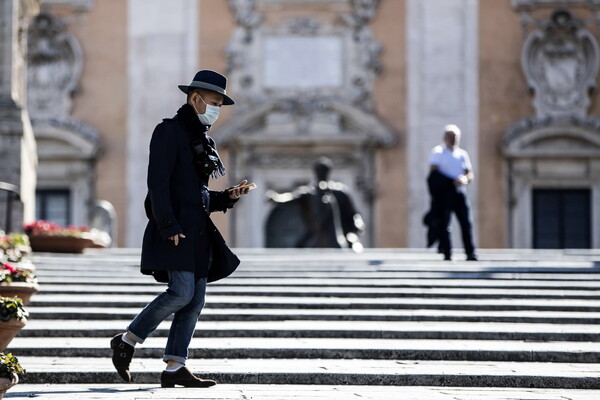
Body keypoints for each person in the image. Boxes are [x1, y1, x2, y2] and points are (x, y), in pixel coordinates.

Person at [110, 70, 251, 388]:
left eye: (220, 104)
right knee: (181, 292)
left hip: (198, 230)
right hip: (175, 229)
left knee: (195, 299)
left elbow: (197, 196)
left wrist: (228, 196)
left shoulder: (203, 139)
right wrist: (167, 224)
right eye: (213, 102)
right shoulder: (168, 131)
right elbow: (157, 185)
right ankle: (127, 339)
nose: (216, 109)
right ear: (195, 98)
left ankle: (175, 366)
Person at [266, 157, 365, 252]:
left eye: (323, 170)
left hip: (342, 233)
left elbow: (353, 214)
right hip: (314, 233)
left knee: (354, 246)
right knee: (298, 248)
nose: (321, 173)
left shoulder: (339, 192)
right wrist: (276, 198)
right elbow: (291, 197)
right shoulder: (309, 192)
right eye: (319, 170)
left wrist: (357, 225)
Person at [425, 124, 477, 261]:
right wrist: (450, 181)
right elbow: (433, 173)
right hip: (445, 194)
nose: (453, 139)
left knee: (466, 223)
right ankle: (447, 252)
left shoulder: (462, 154)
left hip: (459, 192)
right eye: (451, 136)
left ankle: (470, 252)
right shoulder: (438, 153)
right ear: (445, 138)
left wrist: (464, 179)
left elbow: (469, 173)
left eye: (456, 137)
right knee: (445, 224)